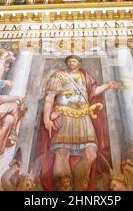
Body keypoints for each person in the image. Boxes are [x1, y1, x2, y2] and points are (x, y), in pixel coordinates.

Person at [37, 55, 120, 191]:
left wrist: (107, 85)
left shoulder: (85, 77)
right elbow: (50, 98)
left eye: (74, 60)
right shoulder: (58, 76)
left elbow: (93, 92)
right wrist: (47, 119)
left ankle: (78, 187)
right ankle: (63, 188)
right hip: (63, 115)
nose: (71, 62)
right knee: (62, 153)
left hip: (83, 116)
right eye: (69, 60)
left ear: (80, 63)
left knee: (91, 153)